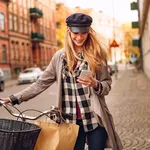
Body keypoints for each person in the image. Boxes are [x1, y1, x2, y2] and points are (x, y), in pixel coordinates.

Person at [0, 13, 123, 150]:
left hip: (94, 118)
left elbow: (106, 85)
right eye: (75, 33)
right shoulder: (59, 57)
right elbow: (40, 84)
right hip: (70, 122)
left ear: (89, 32)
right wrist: (13, 98)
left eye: (84, 33)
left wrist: (95, 84)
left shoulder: (97, 54)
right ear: (69, 31)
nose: (79, 37)